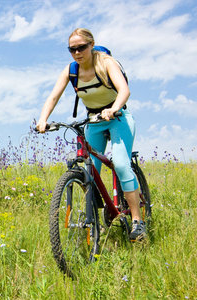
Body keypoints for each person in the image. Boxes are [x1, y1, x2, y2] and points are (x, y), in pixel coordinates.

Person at [36, 28, 145, 241]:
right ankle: (96, 222)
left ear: (91, 45)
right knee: (90, 171)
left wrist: (113, 108)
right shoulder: (71, 70)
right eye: (72, 49)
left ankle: (137, 221)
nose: (77, 53)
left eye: (81, 47)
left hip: (118, 117)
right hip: (93, 120)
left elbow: (124, 90)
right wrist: (43, 120)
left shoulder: (106, 63)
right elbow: (53, 97)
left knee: (121, 165)